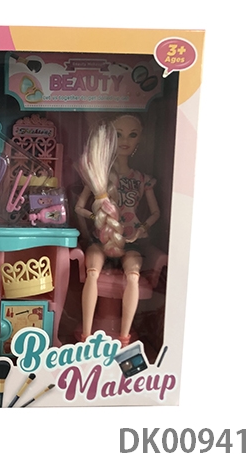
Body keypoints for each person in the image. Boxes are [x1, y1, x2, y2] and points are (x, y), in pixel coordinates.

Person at [75, 115, 160, 346]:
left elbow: (155, 213)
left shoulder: (142, 179)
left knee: (133, 276)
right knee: (92, 272)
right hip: (101, 239)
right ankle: (86, 336)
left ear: (140, 139)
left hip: (129, 240)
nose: (125, 140)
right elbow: (79, 207)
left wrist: (141, 229)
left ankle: (124, 337)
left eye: (132, 135)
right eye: (118, 135)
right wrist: (96, 217)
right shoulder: (98, 176)